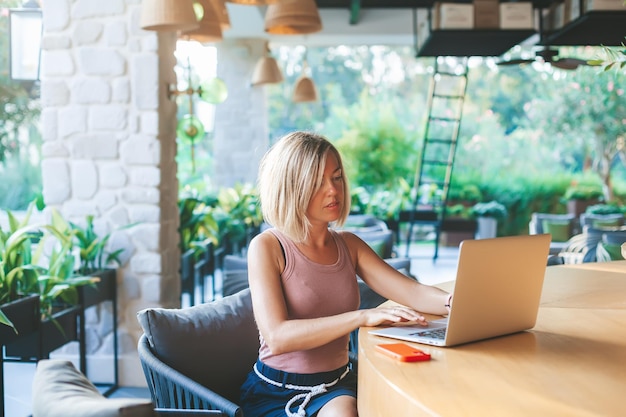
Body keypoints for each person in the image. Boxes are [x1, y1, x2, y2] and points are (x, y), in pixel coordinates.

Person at [240, 131, 452, 417]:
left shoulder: (349, 245)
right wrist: (361, 317)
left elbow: (413, 292)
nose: (333, 190)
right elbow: (278, 336)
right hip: (277, 392)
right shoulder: (267, 247)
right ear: (291, 187)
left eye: (337, 177)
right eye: (318, 182)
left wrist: (456, 302)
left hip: (338, 384)